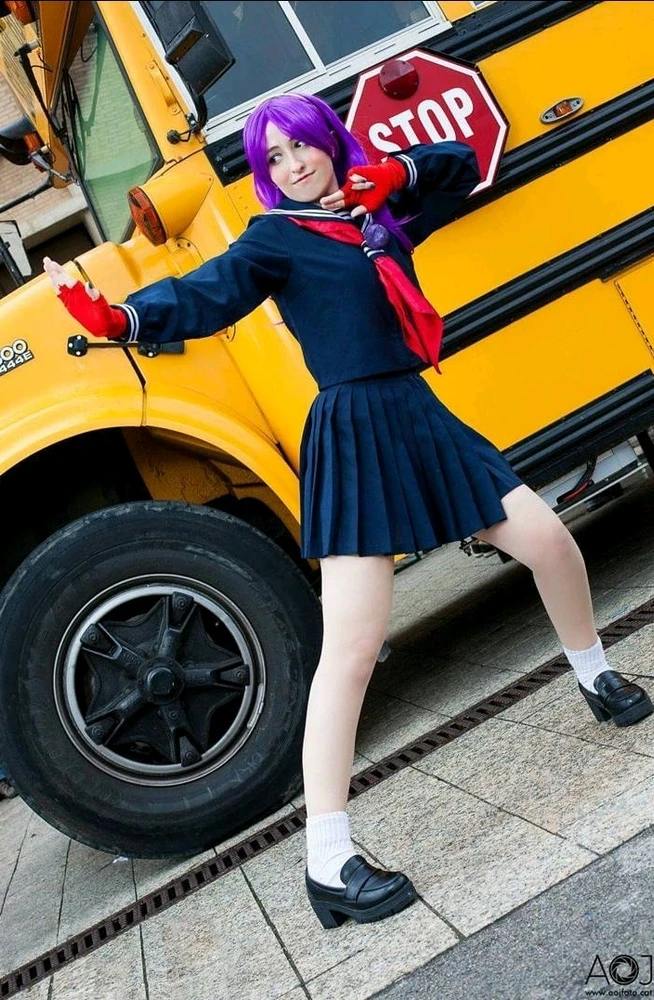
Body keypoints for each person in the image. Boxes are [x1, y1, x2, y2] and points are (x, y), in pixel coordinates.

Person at [44, 92, 653, 931]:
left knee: (549, 540)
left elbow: (464, 165)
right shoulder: (273, 239)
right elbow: (207, 295)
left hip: (418, 414)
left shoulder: (376, 210)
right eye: (275, 159)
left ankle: (596, 675)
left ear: (331, 146)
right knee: (356, 646)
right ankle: (327, 861)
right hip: (354, 430)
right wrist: (123, 317)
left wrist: (392, 173)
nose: (292, 166)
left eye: (303, 148)